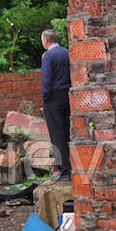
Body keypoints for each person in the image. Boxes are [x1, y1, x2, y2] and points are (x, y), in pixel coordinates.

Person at [40, 28, 71, 180]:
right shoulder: (67, 53)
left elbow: (46, 79)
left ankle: (65, 170)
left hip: (53, 98)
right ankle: (72, 165)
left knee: (56, 134)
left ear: (45, 41)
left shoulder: (48, 56)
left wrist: (45, 97)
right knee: (66, 131)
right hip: (68, 95)